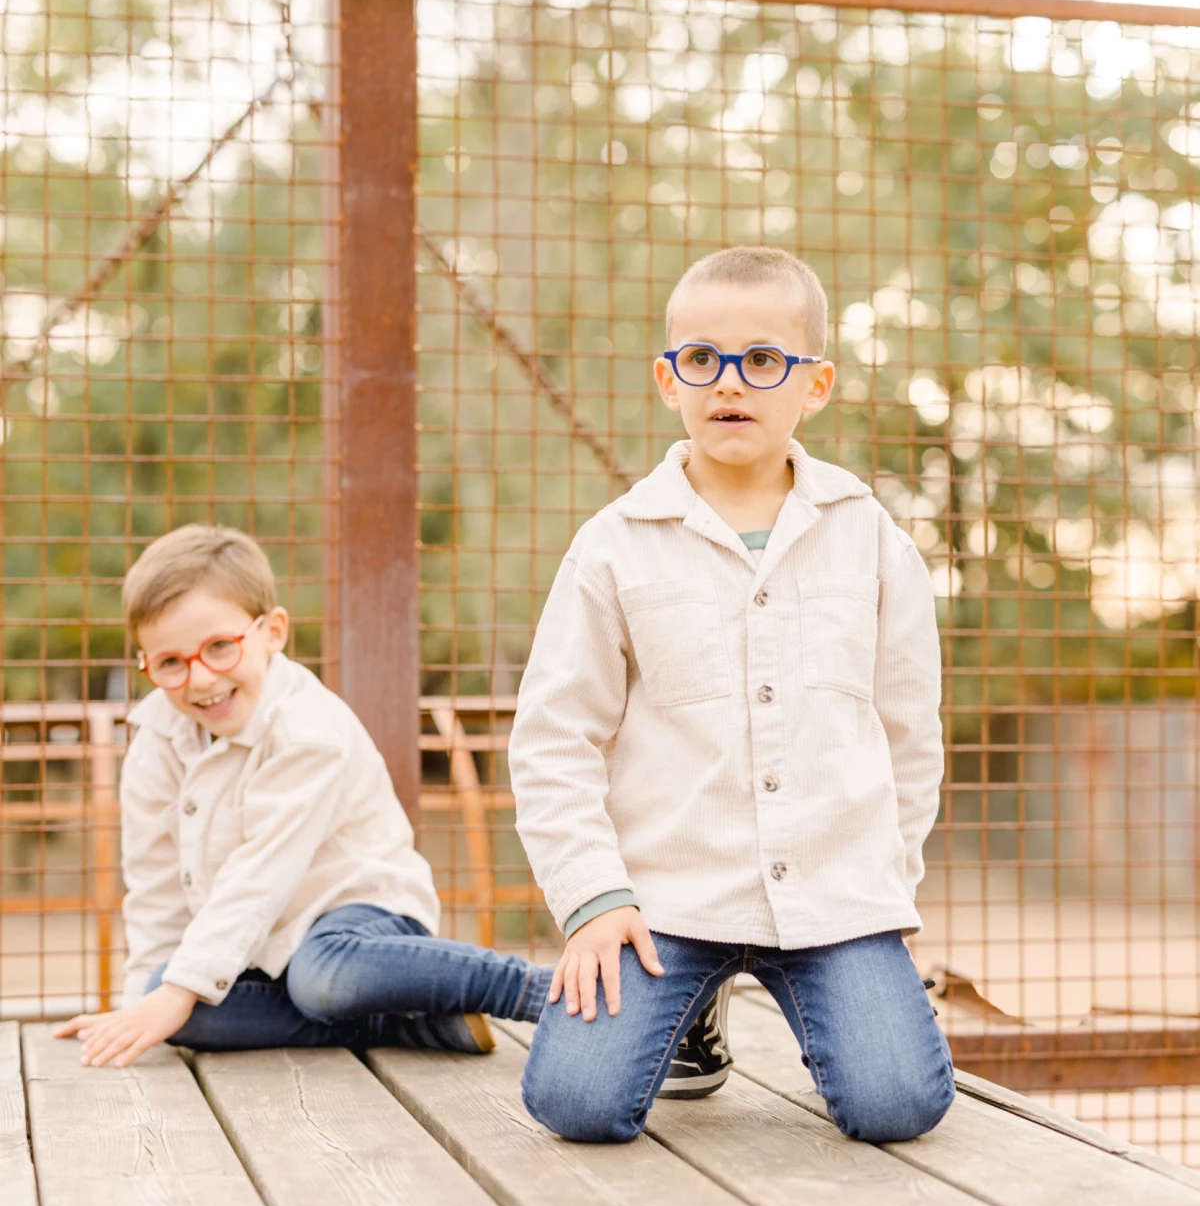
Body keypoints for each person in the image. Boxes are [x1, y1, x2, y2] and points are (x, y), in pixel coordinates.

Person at [509, 245, 954, 1144]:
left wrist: (887, 889)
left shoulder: (871, 542)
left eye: (762, 360)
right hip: (666, 904)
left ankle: (851, 997)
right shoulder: (614, 546)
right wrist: (596, 899)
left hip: (835, 898)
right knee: (577, 1103)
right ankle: (688, 1012)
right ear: (669, 380)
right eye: (702, 359)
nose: (730, 383)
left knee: (898, 1105)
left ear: (815, 383)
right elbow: (554, 738)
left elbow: (910, 733)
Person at [54, 524, 559, 1069]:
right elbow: (155, 890)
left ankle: (527, 989)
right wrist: (139, 1015)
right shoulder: (155, 744)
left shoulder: (307, 732)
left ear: (273, 632)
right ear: (146, 663)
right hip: (260, 949)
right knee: (172, 997)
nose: (200, 679)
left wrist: (173, 997)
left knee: (323, 979)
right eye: (170, 662)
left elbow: (260, 875)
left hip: (362, 927)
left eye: (220, 647)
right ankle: (404, 1023)